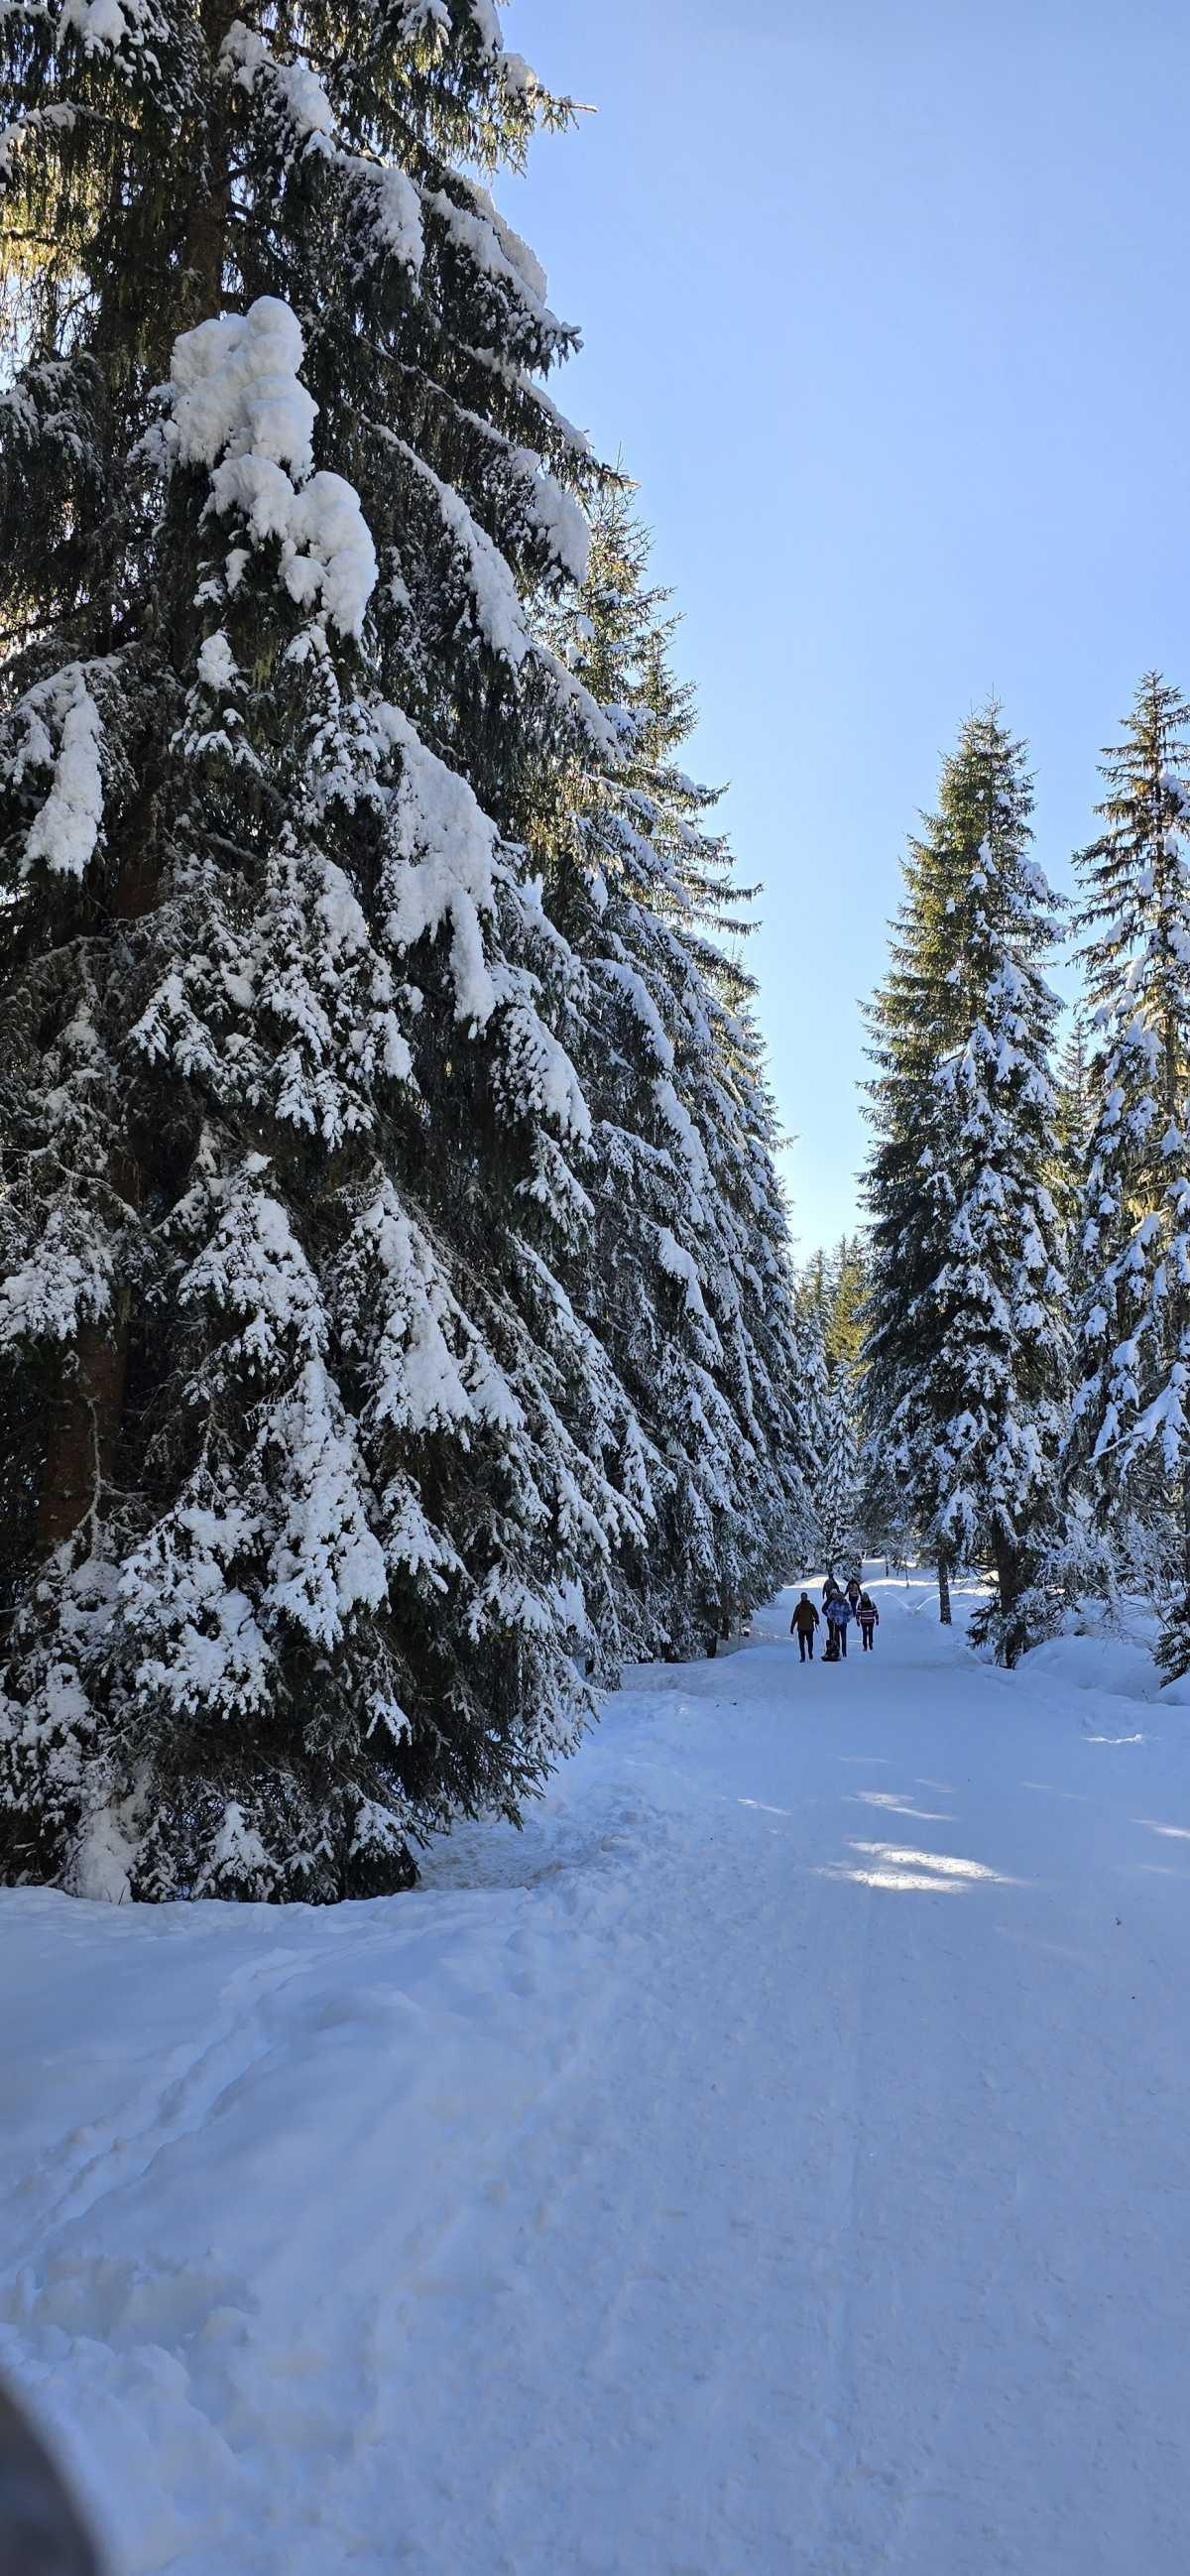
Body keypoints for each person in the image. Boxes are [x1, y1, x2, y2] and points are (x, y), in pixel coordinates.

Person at [790, 1593, 820, 1662]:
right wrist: (792, 1627)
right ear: (801, 1597)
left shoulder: (811, 1606)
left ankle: (810, 1652)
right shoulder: (798, 1607)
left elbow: (816, 1614)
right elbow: (794, 1618)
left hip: (809, 1628)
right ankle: (803, 1657)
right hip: (801, 1628)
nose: (803, 1598)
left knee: (810, 1643)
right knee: (801, 1644)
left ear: (807, 1597)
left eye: (805, 1597)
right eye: (802, 1597)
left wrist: (817, 1620)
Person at [824, 1589, 852, 1658]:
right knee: (836, 1639)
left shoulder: (846, 1604)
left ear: (843, 1597)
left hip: (843, 1624)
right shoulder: (833, 1603)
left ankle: (844, 1653)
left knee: (844, 1639)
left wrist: (846, 1619)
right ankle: (837, 1653)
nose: (839, 1597)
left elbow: (851, 1613)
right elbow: (829, 1611)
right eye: (838, 1596)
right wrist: (832, 1617)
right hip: (835, 1624)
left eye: (841, 1596)